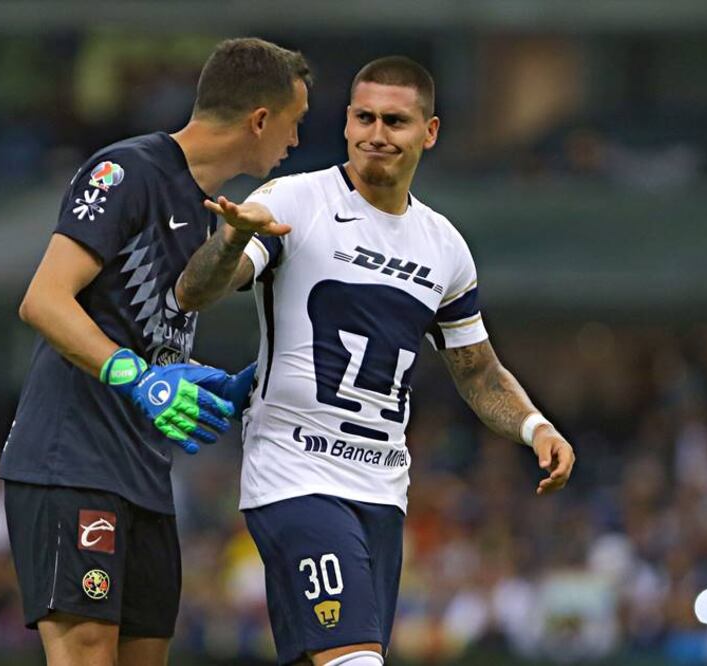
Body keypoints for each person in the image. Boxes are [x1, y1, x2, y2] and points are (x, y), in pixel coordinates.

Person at [175, 56, 576, 666]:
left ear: (429, 132)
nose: (377, 134)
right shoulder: (293, 200)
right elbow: (194, 292)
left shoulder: (444, 246)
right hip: (295, 477)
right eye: (364, 117)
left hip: (383, 491)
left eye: (395, 121)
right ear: (344, 122)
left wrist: (534, 426)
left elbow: (478, 371)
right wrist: (230, 241)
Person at [0, 38, 311, 666]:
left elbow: (147, 329)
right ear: (259, 120)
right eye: (294, 123)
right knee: (86, 653)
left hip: (143, 475)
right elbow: (45, 300)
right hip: (71, 461)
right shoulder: (126, 171)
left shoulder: (207, 212)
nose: (296, 143)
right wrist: (138, 377)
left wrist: (197, 377)